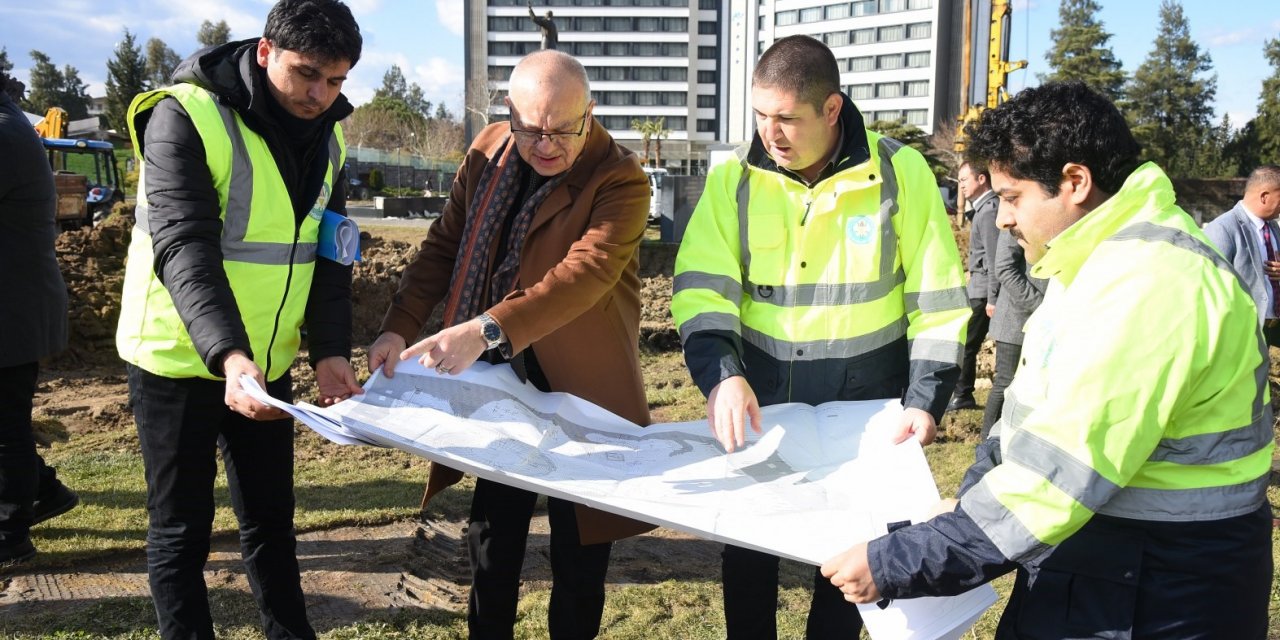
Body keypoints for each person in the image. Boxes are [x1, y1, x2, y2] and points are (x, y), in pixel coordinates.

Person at [821, 82, 1274, 638]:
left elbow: (1053, 481)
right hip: (1113, 559)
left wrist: (893, 563)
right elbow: (1029, 419)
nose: (1002, 218)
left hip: (1163, 586)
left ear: (1074, 183)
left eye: (1011, 197)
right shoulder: (1095, 261)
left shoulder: (1148, 285)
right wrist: (967, 505)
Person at [670, 35, 968, 639]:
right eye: (759, 116)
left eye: (786, 119)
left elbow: (937, 297)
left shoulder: (898, 172)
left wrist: (925, 398)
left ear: (832, 110)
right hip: (761, 403)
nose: (769, 134)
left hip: (867, 411)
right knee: (749, 548)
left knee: (851, 554)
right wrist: (722, 378)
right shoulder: (733, 179)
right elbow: (703, 290)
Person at [368, 49, 652, 639]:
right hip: (498, 382)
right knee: (492, 543)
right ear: (508, 112)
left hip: (583, 385)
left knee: (579, 556)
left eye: (562, 131)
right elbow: (444, 246)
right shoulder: (488, 151)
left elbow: (584, 275)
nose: (544, 144)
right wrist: (398, 325)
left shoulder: (621, 177)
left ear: (590, 112)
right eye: (530, 129)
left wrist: (484, 329)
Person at [114, 1, 364, 637]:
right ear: (263, 51)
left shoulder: (331, 137)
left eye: (335, 81)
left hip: (265, 364)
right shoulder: (185, 116)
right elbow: (184, 248)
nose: (319, 94)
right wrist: (228, 355)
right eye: (306, 73)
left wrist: (330, 350)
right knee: (180, 528)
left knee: (271, 519)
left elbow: (332, 254)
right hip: (177, 359)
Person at [0, 71, 80, 567]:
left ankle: (8, 537)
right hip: (14, 302)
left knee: (6, 428)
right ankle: (44, 492)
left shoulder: (4, 134)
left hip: (11, 308)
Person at [1204, 165, 1280, 346]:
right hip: (1243, 334)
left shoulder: (1274, 227)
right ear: (1264, 196)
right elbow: (1210, 286)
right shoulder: (1223, 228)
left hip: (1274, 329)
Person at [979, 229, 1044, 437]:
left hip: (1041, 320)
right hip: (1015, 320)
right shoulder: (1013, 219)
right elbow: (1005, 268)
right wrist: (1041, 304)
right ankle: (987, 440)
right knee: (1006, 382)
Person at [947, 162, 998, 412]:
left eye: (965, 179)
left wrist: (992, 297)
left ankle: (962, 394)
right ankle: (961, 393)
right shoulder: (982, 209)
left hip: (983, 290)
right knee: (965, 343)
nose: (962, 185)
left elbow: (993, 256)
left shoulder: (989, 211)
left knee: (966, 344)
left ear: (981, 178)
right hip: (978, 287)